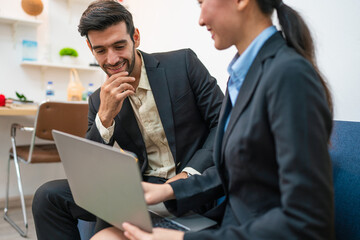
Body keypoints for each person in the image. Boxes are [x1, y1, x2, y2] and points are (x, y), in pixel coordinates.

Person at [91, 0, 336, 239]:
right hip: (231, 222)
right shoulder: (243, 76)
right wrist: (166, 190)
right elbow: (232, 171)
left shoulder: (289, 75)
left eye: (201, 2)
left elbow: (307, 221)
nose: (201, 19)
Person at [31, 0, 224, 239]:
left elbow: (223, 123)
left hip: (191, 182)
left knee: (109, 212)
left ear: (136, 37)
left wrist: (188, 174)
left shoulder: (183, 64)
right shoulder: (97, 100)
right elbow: (90, 171)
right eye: (100, 50)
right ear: (91, 49)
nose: (111, 60)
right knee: (47, 196)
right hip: (140, 188)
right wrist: (105, 116)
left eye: (119, 46)